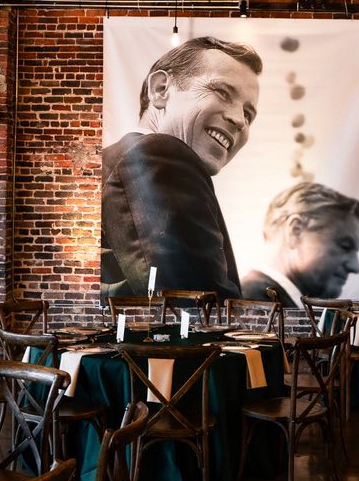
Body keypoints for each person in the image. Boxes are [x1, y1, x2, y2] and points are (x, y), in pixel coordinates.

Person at [101, 35, 262, 298]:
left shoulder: (117, 160)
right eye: (222, 92)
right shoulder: (160, 154)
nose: (239, 121)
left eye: (248, 114)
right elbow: (201, 304)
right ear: (161, 89)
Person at [241, 182, 359, 307]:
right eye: (345, 246)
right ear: (296, 231)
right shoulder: (253, 305)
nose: (355, 267)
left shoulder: (259, 301)